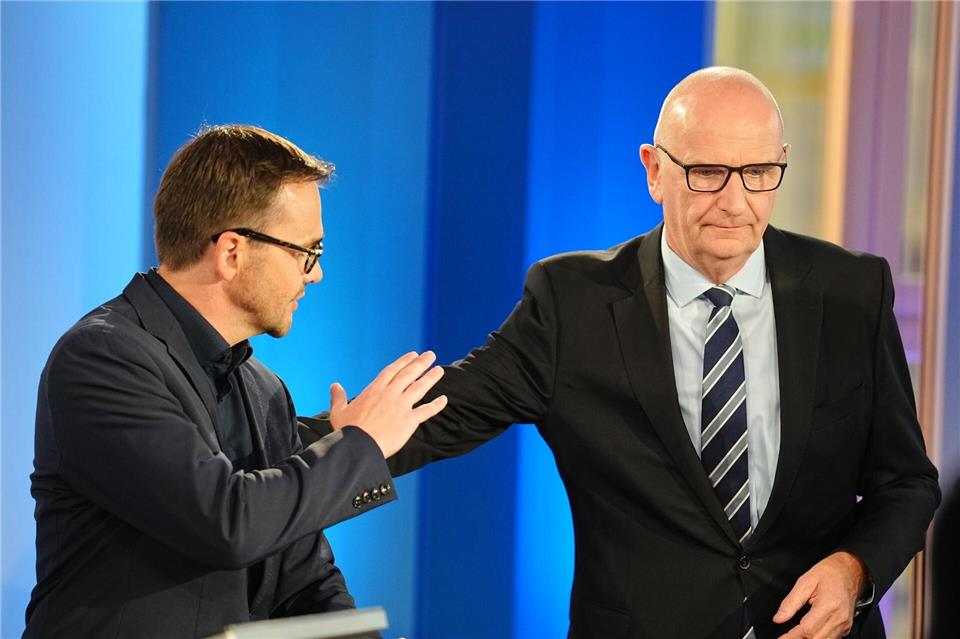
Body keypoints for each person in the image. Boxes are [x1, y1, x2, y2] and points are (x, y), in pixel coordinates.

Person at [380, 68, 941, 638]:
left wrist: (856, 570)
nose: (734, 202)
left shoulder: (851, 292)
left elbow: (906, 483)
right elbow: (435, 418)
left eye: (757, 173)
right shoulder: (572, 303)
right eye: (707, 173)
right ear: (654, 171)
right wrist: (325, 452)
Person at [25, 124, 447, 638]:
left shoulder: (265, 390)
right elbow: (226, 522)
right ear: (231, 252)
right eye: (307, 252)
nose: (315, 274)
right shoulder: (103, 357)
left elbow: (302, 582)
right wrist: (361, 444)